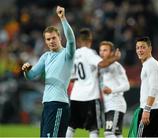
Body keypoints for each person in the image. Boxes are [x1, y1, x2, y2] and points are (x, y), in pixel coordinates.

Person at [21, 6, 76, 137]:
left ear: (60, 38)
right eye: (48, 39)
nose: (51, 41)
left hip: (59, 104)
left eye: (53, 38)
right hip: (47, 104)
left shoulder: (67, 54)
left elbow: (72, 40)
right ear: (45, 41)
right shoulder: (45, 56)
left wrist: (62, 18)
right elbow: (32, 75)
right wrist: (26, 70)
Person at [66, 28, 120, 138]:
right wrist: (115, 58)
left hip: (75, 96)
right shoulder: (90, 53)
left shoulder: (74, 54)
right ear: (90, 40)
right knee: (93, 128)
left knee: (71, 126)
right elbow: (102, 64)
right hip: (90, 96)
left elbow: (72, 78)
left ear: (79, 41)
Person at [132, 36, 158, 137]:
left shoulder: (151, 64)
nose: (139, 50)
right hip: (154, 109)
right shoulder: (148, 64)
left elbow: (153, 88)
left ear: (150, 48)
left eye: (143, 47)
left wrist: (146, 110)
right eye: (137, 47)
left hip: (151, 110)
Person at [99, 41, 130, 138]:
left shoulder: (116, 66)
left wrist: (112, 90)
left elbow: (127, 85)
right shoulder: (101, 66)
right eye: (101, 50)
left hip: (116, 103)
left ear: (112, 53)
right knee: (117, 134)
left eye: (105, 50)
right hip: (108, 105)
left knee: (108, 133)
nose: (102, 52)